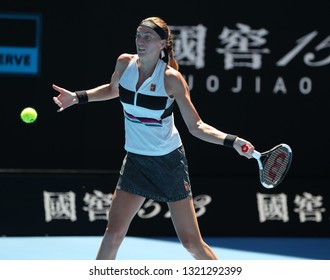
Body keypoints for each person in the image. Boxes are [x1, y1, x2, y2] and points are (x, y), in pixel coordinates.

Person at [52, 16, 255, 260]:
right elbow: (113, 89)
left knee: (191, 243)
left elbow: (196, 126)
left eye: (147, 36)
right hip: (136, 161)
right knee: (113, 233)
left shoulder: (171, 79)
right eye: (138, 35)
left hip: (169, 164)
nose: (140, 41)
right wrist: (77, 96)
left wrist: (232, 141)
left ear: (162, 43)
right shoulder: (124, 63)